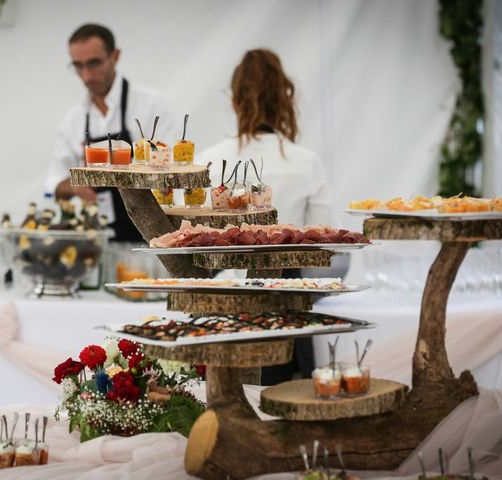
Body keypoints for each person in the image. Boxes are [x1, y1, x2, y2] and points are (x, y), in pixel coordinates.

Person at [199, 49, 332, 385]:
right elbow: (325, 258)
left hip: (221, 304)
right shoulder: (306, 163)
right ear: (285, 100)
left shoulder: (207, 162)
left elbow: (194, 245)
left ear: (234, 102)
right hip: (286, 310)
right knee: (282, 410)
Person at [47, 23, 179, 242]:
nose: (87, 75)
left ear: (115, 56)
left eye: (94, 63)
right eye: (78, 66)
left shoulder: (152, 106)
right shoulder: (75, 119)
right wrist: (75, 186)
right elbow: (54, 180)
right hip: (102, 241)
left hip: (156, 240)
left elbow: (172, 170)